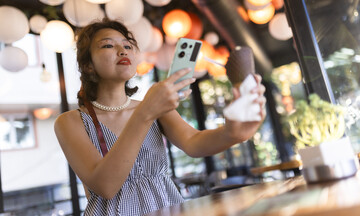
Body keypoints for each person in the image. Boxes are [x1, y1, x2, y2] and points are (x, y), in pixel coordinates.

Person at [54, 18, 266, 216]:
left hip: (166, 208)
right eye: (108, 45)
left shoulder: (153, 106)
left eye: (127, 46)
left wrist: (231, 133)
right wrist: (145, 113)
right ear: (88, 65)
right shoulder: (70, 122)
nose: (122, 50)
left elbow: (194, 143)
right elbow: (106, 187)